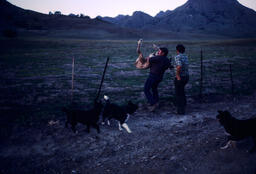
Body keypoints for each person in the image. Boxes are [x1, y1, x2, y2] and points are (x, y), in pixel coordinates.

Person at [144, 47, 170, 112]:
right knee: (154, 88)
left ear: (163, 53)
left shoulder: (158, 57)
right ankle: (156, 101)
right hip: (160, 77)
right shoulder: (167, 60)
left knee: (146, 89)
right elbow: (168, 66)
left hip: (153, 76)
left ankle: (153, 103)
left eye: (159, 51)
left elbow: (148, 59)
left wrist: (151, 55)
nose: (158, 52)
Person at [174, 44, 189, 115]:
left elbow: (179, 66)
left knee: (178, 94)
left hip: (180, 77)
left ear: (177, 50)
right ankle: (184, 106)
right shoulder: (185, 56)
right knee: (182, 92)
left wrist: (177, 76)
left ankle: (180, 111)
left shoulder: (177, 57)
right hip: (186, 76)